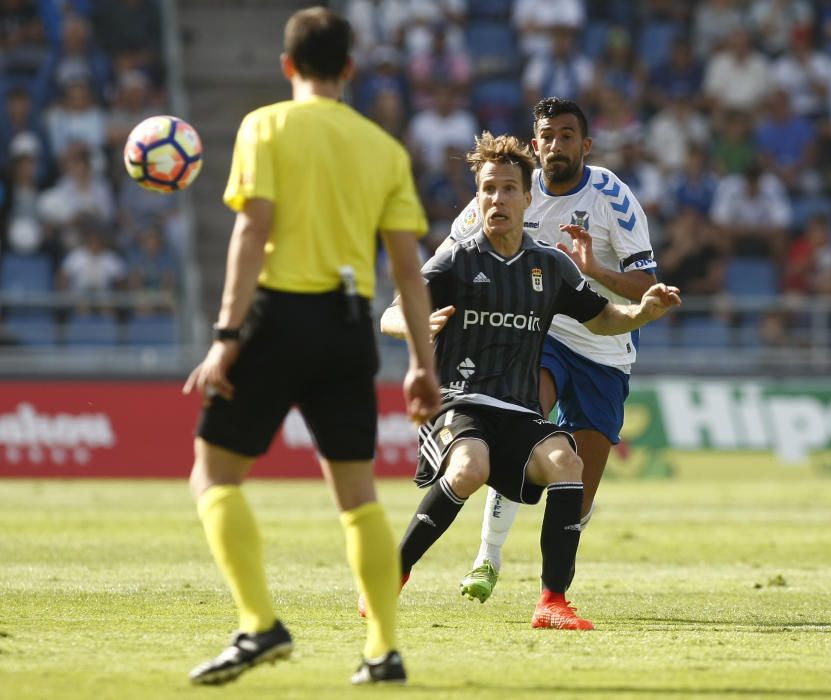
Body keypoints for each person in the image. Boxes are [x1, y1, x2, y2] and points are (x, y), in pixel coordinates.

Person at [182, 7, 440, 687]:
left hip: (279, 318)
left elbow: (251, 232)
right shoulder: (383, 149)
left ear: (287, 66)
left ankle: (258, 624)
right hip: (349, 324)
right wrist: (421, 365)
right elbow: (409, 270)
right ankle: (382, 651)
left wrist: (226, 336)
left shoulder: (264, 126)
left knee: (213, 475)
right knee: (358, 495)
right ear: (350, 70)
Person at [377, 131, 680, 629]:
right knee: (471, 466)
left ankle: (552, 602)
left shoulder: (550, 266)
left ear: (528, 197)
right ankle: (393, 572)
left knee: (567, 463)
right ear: (477, 198)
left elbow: (603, 319)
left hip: (516, 412)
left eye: (509, 189)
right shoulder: (457, 259)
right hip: (459, 404)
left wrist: (643, 312)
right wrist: (413, 324)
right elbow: (392, 313)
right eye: (488, 189)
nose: (498, 199)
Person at [446, 98, 660, 604]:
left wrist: (594, 271)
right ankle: (487, 559)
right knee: (517, 427)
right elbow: (453, 250)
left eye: (567, 136)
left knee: (579, 491)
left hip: (604, 343)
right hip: (539, 337)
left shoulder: (613, 195)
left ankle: (552, 585)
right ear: (534, 141)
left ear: (585, 145)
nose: (556, 145)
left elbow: (644, 285)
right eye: (547, 136)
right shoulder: (515, 187)